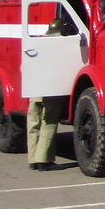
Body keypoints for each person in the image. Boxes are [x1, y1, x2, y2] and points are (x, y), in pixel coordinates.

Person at [26, 13, 68, 171]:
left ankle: (33, 159)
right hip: (51, 90)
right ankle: (44, 160)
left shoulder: (38, 44)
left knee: (33, 124)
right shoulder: (59, 47)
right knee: (48, 123)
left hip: (34, 89)